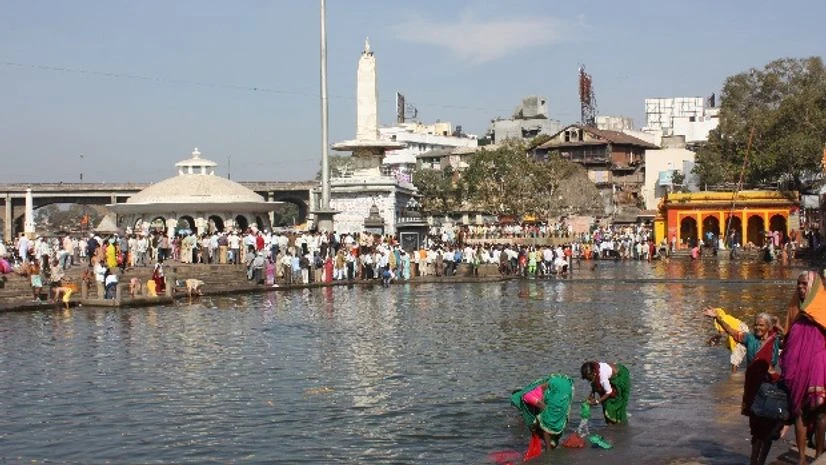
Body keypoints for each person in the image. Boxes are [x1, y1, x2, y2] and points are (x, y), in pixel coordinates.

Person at [704, 307, 783, 465]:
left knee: (767, 430)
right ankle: (754, 461)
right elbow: (731, 331)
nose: (758, 328)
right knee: (755, 430)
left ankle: (761, 461)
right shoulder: (749, 339)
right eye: (756, 325)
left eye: (761, 325)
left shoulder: (776, 340)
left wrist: (780, 326)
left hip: (770, 389)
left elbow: (793, 339)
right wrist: (718, 318)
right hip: (753, 389)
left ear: (769, 327)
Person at [781, 271, 826, 465]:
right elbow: (788, 333)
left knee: (820, 412)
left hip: (818, 364)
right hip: (797, 365)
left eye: (804, 284)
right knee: (798, 410)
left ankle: (817, 455)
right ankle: (801, 458)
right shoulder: (794, 307)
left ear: (814, 287)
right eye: (798, 284)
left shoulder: (824, 306)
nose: (800, 287)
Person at [510, 374, 574, 453]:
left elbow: (544, 408)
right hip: (553, 395)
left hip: (544, 399)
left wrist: (540, 420)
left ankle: (549, 450)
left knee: (544, 424)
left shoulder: (528, 396)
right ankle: (551, 443)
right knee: (547, 423)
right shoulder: (534, 393)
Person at [707, 307, 751, 373]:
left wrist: (713, 339)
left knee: (735, 358)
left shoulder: (719, 319)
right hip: (743, 327)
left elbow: (722, 333)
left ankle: (733, 378)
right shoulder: (724, 315)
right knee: (730, 346)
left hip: (739, 332)